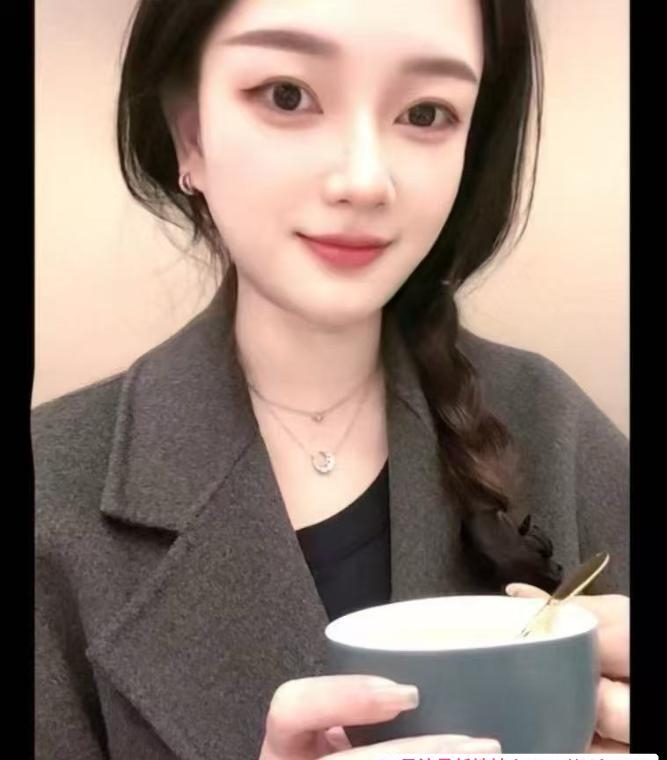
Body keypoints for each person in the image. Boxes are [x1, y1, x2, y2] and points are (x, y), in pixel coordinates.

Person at [34, 1, 629, 758]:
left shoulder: (553, 427)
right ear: (191, 135)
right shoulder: (50, 492)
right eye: (287, 96)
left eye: (425, 112)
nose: (364, 180)